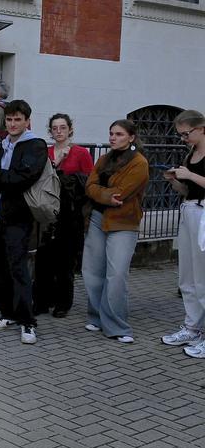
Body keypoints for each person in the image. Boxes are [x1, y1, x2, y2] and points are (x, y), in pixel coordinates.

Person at [0, 99, 46, 344]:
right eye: (9, 119)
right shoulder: (1, 145)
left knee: (18, 269)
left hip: (18, 218)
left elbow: (23, 178)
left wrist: (2, 177)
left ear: (27, 121)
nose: (13, 123)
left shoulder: (35, 145)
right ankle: (8, 313)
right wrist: (4, 178)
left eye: (18, 119)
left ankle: (27, 321)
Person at [82, 120, 149, 344]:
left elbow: (121, 194)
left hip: (124, 222)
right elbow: (89, 186)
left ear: (131, 137)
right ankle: (97, 316)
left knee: (116, 274)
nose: (113, 138)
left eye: (119, 134)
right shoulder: (104, 158)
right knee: (92, 270)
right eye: (111, 133)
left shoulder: (139, 162)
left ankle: (117, 325)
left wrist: (101, 192)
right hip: (98, 218)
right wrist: (104, 195)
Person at [33, 114, 94, 318]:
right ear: (50, 131)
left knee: (65, 261)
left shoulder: (81, 153)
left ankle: (62, 302)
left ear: (70, 129)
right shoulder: (46, 152)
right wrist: (57, 162)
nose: (59, 131)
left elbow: (89, 183)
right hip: (48, 212)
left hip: (70, 213)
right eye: (55, 128)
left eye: (62, 127)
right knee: (44, 259)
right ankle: (42, 300)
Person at [163, 110, 205, 357]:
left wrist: (189, 174)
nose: (183, 139)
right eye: (180, 135)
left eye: (186, 134)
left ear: (201, 128)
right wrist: (175, 180)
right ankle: (192, 327)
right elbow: (187, 190)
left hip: (202, 215)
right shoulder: (191, 154)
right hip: (190, 210)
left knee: (202, 277)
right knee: (187, 276)